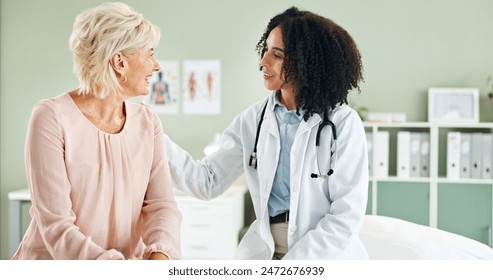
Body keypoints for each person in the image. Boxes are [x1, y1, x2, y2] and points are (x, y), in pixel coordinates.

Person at [164, 7, 368, 259]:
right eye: (266, 50)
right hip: (266, 248)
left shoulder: (343, 123)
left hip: (323, 252)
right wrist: (152, 135)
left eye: (277, 55)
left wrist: (291, 267)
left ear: (306, 62)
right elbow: (208, 181)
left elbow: (345, 215)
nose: (263, 61)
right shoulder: (254, 119)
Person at [12, 2, 181, 260]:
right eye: (149, 54)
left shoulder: (148, 122)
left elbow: (162, 206)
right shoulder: (51, 117)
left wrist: (160, 257)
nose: (156, 65)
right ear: (119, 62)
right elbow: (56, 226)